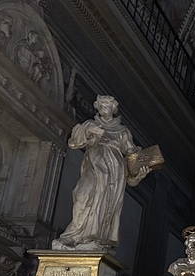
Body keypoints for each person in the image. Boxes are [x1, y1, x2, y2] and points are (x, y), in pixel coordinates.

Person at [53, 95, 151, 250]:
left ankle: (94, 237)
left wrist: (139, 169)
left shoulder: (122, 131)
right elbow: (74, 142)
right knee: (82, 194)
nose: (104, 106)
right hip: (93, 166)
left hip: (114, 172)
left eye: (108, 104)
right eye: (102, 104)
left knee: (104, 200)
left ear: (114, 109)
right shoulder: (90, 124)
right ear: (97, 107)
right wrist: (88, 131)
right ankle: (75, 233)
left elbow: (131, 153)